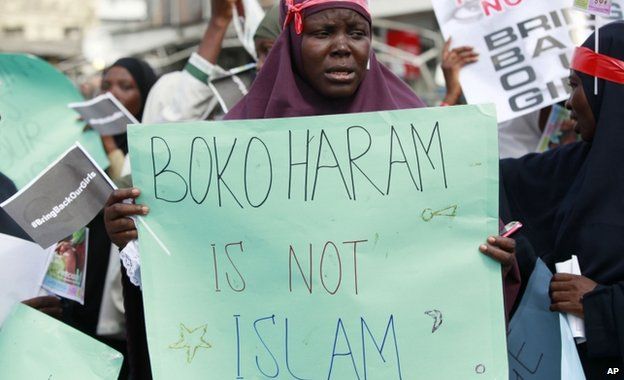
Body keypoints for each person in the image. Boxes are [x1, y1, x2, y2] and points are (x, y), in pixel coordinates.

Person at [104, 0, 516, 377]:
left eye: (356, 33)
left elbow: (461, 272)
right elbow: (185, 274)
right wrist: (135, 238)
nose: (343, 47)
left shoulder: (421, 136)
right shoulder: (223, 151)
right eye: (322, 33)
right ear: (291, 41)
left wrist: (494, 258)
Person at [495, 21, 624, 378]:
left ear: (607, 91)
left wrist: (602, 305)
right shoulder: (579, 163)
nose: (568, 103)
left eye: (576, 86)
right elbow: (492, 178)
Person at [99, 57, 157, 180]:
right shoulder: (92, 134)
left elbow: (127, 188)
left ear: (145, 92)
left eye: (125, 86)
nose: (111, 94)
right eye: (105, 86)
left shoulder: (155, 143)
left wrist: (108, 141)